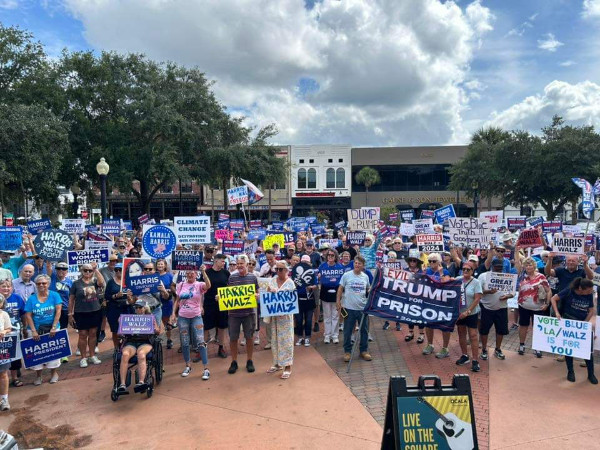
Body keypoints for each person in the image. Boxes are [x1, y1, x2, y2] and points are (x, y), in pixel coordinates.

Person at [550, 277, 597, 384]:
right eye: (588, 290)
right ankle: (570, 372)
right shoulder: (569, 291)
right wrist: (557, 312)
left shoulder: (589, 295)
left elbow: (590, 311)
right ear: (580, 288)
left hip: (581, 323)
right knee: (569, 348)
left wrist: (584, 323)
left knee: (587, 350)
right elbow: (553, 299)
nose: (590, 292)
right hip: (568, 321)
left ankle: (591, 374)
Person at [117, 299, 162, 394]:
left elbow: (158, 331)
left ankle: (141, 382)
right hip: (131, 342)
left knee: (141, 354)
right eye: (136, 307)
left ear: (145, 308)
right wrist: (121, 325)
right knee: (125, 355)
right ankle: (122, 384)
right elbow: (119, 334)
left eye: (140, 307)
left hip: (145, 342)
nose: (138, 309)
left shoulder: (150, 318)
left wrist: (153, 328)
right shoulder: (130, 318)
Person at [23, 274, 62, 385]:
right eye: (39, 283)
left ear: (48, 284)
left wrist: (54, 327)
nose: (41, 285)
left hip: (52, 329)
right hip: (36, 329)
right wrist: (34, 331)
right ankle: (38, 376)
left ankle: (54, 374)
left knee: (53, 353)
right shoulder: (31, 298)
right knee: (37, 354)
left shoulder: (55, 295)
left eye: (44, 283)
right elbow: (28, 315)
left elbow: (58, 311)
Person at [173, 268, 210, 380]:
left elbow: (208, 286)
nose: (189, 274)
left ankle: (206, 368)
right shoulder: (180, 285)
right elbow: (177, 300)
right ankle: (188, 365)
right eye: (187, 272)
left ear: (196, 274)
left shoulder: (199, 284)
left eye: (192, 273)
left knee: (200, 341)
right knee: (184, 342)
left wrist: (204, 272)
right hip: (183, 317)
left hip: (196, 316)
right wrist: (173, 313)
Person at [226, 256, 259, 374]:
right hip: (234, 314)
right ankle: (234, 361)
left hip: (248, 313)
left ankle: (249, 360)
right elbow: (227, 293)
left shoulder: (253, 277)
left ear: (246, 264)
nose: (239, 265)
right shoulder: (232, 277)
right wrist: (220, 298)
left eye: (241, 263)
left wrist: (257, 295)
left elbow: (257, 291)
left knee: (249, 337)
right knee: (233, 338)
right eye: (238, 263)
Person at [68, 262, 105, 367]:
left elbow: (102, 283)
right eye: (85, 270)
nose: (87, 272)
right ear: (81, 271)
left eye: (90, 270)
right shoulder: (76, 283)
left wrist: (96, 269)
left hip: (95, 311)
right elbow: (71, 300)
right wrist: (70, 314)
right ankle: (83, 358)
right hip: (81, 312)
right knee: (82, 334)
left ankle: (92, 355)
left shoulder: (95, 281)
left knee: (93, 334)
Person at [514, 256, 551, 357]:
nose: (528, 267)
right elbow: (517, 263)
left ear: (534, 265)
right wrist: (517, 251)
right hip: (524, 307)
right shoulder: (521, 276)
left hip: (538, 307)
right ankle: (521, 345)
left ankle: (537, 347)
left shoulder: (541, 277)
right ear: (524, 266)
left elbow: (548, 291)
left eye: (530, 264)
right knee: (523, 326)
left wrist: (547, 304)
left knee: (538, 328)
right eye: (526, 265)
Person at [337, 255, 372, 362]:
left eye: (359, 264)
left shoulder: (365, 277)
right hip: (348, 308)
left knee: (364, 331)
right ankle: (347, 351)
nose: (357, 265)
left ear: (363, 266)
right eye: (356, 263)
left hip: (362, 308)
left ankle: (363, 351)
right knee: (347, 331)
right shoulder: (346, 275)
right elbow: (340, 289)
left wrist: (370, 290)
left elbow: (368, 289)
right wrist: (338, 302)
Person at [477, 258, 513, 360]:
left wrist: (508, 296)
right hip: (486, 307)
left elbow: (513, 292)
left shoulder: (507, 277)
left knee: (500, 330)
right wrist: (488, 292)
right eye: (497, 267)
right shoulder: (483, 276)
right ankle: (484, 349)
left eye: (500, 267)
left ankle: (498, 349)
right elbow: (478, 292)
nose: (498, 269)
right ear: (492, 266)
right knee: (484, 330)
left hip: (502, 307)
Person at [266, 261, 296, 379]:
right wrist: (268, 292)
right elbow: (267, 294)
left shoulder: (290, 283)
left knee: (286, 341)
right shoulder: (272, 280)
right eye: (276, 269)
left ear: (286, 270)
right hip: (274, 316)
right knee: (275, 339)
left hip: (286, 317)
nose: (278, 271)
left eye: (281, 269)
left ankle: (288, 366)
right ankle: (277, 363)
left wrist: (277, 292)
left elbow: (291, 300)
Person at [422, 253, 452, 358]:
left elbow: (447, 284)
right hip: (429, 301)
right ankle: (430, 344)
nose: (431, 263)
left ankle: (445, 348)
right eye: (430, 261)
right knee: (429, 323)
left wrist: (440, 273)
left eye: (434, 261)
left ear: (439, 262)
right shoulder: (427, 271)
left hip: (442, 302)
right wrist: (423, 274)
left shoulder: (445, 271)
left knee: (444, 325)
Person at [455, 262, 483, 372]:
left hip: (471, 313)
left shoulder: (476, 282)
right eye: (464, 269)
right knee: (461, 333)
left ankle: (475, 360)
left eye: (468, 269)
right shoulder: (457, 279)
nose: (465, 271)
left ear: (472, 271)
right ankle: (465, 355)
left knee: (473, 336)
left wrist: (468, 311)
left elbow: (477, 299)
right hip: (459, 313)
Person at [201, 254, 230, 358]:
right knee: (206, 327)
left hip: (222, 304)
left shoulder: (226, 273)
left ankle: (221, 348)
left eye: (224, 261)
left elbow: (229, 288)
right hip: (208, 304)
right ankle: (202, 351)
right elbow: (201, 290)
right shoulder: (207, 273)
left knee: (222, 326)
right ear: (216, 261)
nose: (224, 263)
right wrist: (201, 306)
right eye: (222, 261)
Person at [0, 280, 25, 387]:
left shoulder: (17, 298)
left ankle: (14, 378)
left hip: (14, 332)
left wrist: (25, 328)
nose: (6, 288)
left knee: (14, 356)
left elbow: (23, 314)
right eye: (3, 286)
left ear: (12, 287)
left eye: (8, 286)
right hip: (1, 333)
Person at [48, 262, 73, 363]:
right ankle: (51, 353)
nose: (61, 271)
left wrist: (71, 311)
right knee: (51, 330)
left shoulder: (70, 282)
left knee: (63, 330)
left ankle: (64, 354)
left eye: (64, 269)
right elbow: (48, 267)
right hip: (52, 309)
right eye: (58, 269)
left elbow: (72, 298)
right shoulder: (52, 278)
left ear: (67, 271)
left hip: (65, 309)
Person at [318, 249, 344, 344]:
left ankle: (335, 335)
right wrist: (318, 278)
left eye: (332, 255)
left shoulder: (340, 267)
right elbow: (318, 279)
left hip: (337, 292)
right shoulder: (322, 266)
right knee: (327, 315)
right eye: (329, 255)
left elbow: (343, 280)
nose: (330, 257)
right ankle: (327, 335)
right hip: (325, 291)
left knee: (335, 315)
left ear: (335, 256)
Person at [104, 263, 133, 349]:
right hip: (114, 308)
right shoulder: (110, 282)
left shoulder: (128, 281)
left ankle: (128, 347)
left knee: (128, 329)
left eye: (120, 269)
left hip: (127, 307)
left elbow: (135, 294)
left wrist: (130, 295)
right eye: (116, 270)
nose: (118, 271)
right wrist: (116, 296)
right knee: (115, 330)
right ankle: (117, 349)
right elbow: (107, 296)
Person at [293, 255, 317, 346]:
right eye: (303, 262)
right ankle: (300, 337)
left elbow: (316, 285)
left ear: (309, 263)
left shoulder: (312, 273)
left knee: (309, 320)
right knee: (298, 320)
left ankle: (307, 337)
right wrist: (295, 284)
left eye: (307, 262)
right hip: (298, 299)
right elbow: (292, 285)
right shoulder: (295, 272)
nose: (305, 264)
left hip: (309, 298)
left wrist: (311, 287)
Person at [404, 250, 425, 343]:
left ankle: (421, 334)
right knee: (409, 314)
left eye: (414, 260)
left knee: (419, 314)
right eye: (411, 260)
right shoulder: (404, 271)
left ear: (417, 262)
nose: (412, 262)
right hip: (407, 296)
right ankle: (411, 332)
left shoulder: (422, 272)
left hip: (419, 297)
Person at [156, 258, 175, 349]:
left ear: (165, 266)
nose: (160, 266)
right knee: (155, 322)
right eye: (158, 264)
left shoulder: (170, 276)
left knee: (166, 322)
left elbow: (173, 288)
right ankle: (155, 340)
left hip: (166, 302)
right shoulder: (153, 275)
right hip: (156, 302)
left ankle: (169, 339)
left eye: (162, 264)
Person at [0, 294, 12, 411]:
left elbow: (9, 328)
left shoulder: (4, 315)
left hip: (1, 348)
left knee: (3, 374)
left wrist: (4, 331)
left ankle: (4, 399)